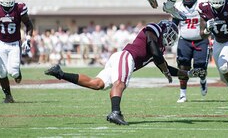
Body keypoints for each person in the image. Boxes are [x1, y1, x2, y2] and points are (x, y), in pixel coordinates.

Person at [44, 20, 204, 125]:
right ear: (167, 31)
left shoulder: (159, 47)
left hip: (120, 58)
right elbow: (156, 53)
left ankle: (60, 73)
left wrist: (188, 73)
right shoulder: (154, 29)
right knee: (119, 83)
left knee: (97, 84)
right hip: (127, 57)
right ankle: (115, 112)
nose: (171, 39)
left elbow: (167, 67)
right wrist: (164, 70)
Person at [0, 0, 33, 103]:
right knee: (1, 72)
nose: (8, 0)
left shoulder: (19, 8)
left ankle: (18, 73)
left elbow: (29, 25)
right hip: (1, 43)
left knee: (13, 73)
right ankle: (8, 96)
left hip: (14, 44)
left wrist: (28, 39)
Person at [172, 0, 210, 103]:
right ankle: (183, 94)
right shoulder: (178, 6)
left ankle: (202, 80)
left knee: (200, 66)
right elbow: (174, 24)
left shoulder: (201, 5)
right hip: (184, 40)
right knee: (183, 66)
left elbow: (210, 19)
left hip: (201, 40)